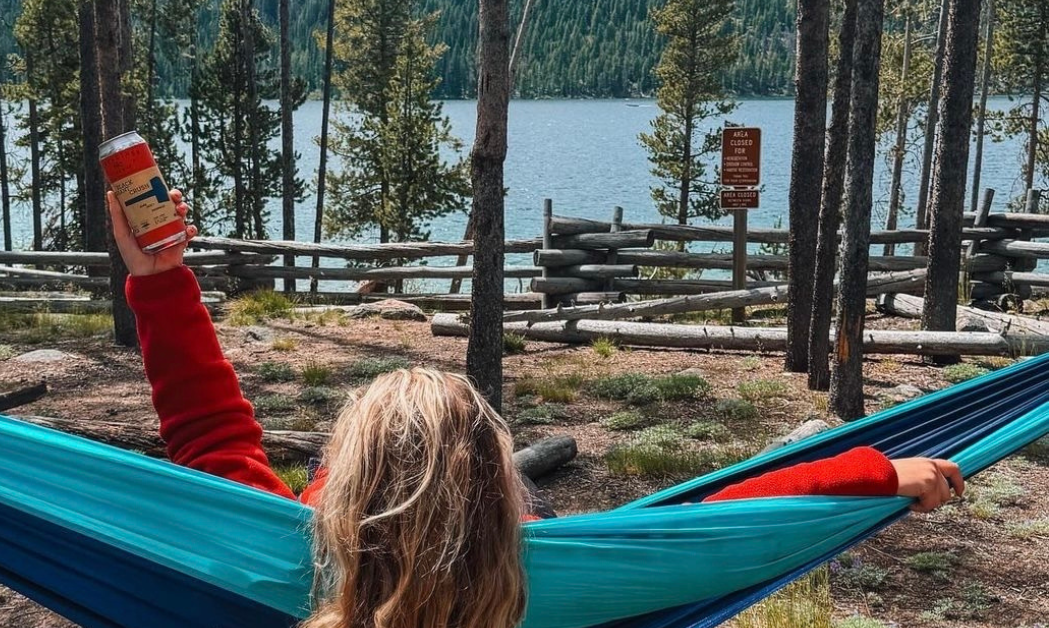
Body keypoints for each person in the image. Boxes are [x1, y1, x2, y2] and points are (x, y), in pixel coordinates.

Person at [109, 190, 966, 628]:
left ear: (336, 499)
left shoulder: (289, 565)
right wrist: (880, 471)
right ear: (500, 498)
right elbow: (721, 519)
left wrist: (158, 280)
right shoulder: (545, 581)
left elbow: (210, 433)